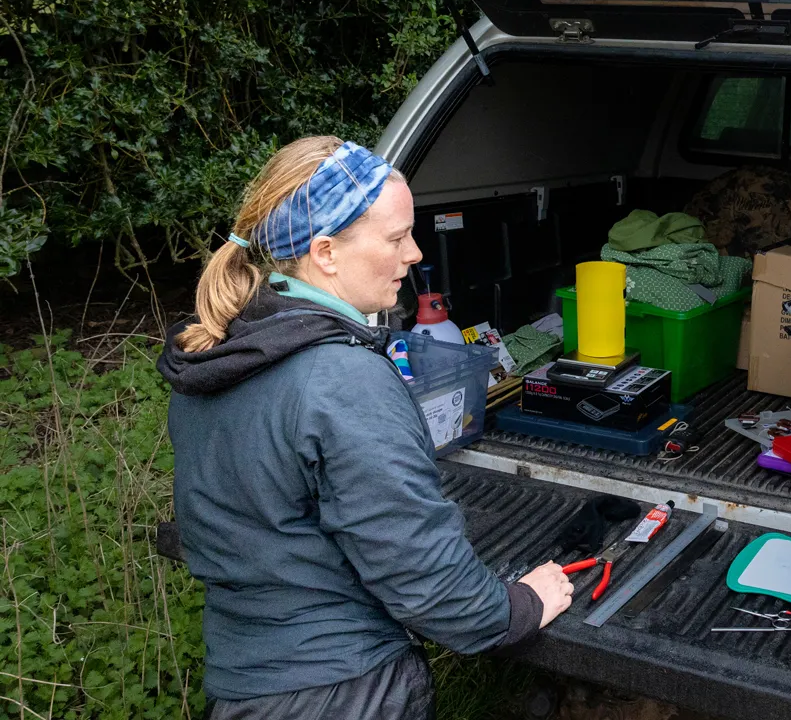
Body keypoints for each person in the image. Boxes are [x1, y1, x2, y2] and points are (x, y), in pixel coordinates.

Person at [157, 137, 573, 719]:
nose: (415, 254)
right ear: (326, 253)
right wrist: (517, 608)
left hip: (246, 680)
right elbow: (421, 571)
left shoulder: (217, 351)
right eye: (397, 238)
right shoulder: (341, 379)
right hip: (344, 691)